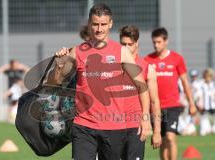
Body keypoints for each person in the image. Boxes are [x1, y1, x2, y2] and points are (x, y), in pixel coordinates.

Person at [47, 3, 151, 160]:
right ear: (89, 23)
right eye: (95, 24)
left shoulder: (122, 52)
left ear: (110, 24)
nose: (99, 29)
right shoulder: (77, 51)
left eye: (103, 24)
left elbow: (141, 86)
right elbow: (54, 82)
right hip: (83, 126)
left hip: (114, 127)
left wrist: (145, 118)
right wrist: (59, 65)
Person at [144, 27, 197, 160]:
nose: (156, 45)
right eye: (154, 42)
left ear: (166, 41)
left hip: (172, 105)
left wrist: (191, 103)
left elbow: (185, 82)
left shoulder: (177, 59)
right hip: (155, 107)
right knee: (161, 139)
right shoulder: (148, 60)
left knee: (170, 137)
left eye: (159, 42)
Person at [119, 25, 161, 159]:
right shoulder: (111, 66)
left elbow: (154, 101)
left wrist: (157, 132)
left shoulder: (148, 68)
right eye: (122, 44)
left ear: (136, 44)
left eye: (129, 44)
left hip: (135, 128)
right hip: (113, 127)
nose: (125, 48)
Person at [196, 68, 215, 136]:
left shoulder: (213, 85)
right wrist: (199, 104)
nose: (208, 78)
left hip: (212, 107)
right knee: (204, 132)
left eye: (209, 76)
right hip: (204, 108)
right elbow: (198, 95)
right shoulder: (200, 84)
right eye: (206, 76)